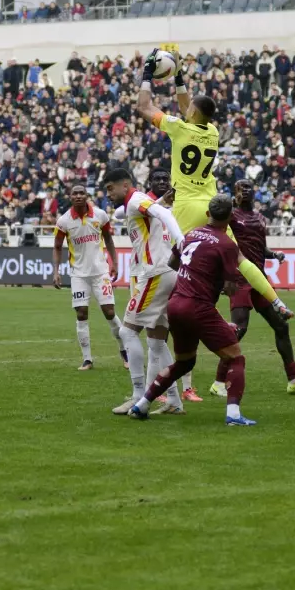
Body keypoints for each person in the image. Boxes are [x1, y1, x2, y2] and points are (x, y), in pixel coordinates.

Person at [135, 49, 293, 320]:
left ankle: (165, 308)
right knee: (240, 258)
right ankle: (277, 302)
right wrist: (179, 77)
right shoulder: (213, 132)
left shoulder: (179, 128)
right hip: (211, 203)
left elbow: (144, 106)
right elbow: (189, 107)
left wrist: (148, 74)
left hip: (185, 204)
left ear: (193, 112)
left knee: (179, 261)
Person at [127, 194, 257, 426]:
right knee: (236, 358)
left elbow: (172, 265)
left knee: (184, 363)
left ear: (208, 214)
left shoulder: (191, 234)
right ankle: (234, 415)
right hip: (198, 307)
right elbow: (229, 287)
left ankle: (142, 404)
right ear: (230, 216)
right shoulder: (227, 244)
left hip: (176, 305)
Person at [209, 180, 295, 397]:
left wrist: (273, 254)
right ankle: (218, 382)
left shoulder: (259, 217)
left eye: (249, 187)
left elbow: (260, 247)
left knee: (281, 326)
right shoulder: (230, 216)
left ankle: (294, 380)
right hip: (239, 279)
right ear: (235, 193)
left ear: (255, 192)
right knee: (239, 329)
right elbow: (219, 241)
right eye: (241, 188)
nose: (246, 190)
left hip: (259, 279)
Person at [103, 167, 187, 416]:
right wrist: (159, 200)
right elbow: (121, 215)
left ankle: (139, 395)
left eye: (110, 188)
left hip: (154, 274)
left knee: (127, 332)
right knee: (157, 341)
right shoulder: (136, 204)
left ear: (125, 185)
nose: (108, 194)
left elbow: (162, 212)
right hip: (165, 273)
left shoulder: (137, 200)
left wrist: (181, 241)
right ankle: (174, 400)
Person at [52, 184, 124, 372]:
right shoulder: (64, 221)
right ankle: (87, 359)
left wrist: (114, 262)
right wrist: (56, 271)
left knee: (109, 312)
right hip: (78, 275)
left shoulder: (100, 215)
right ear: (70, 196)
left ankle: (125, 351)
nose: (78, 196)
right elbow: (58, 246)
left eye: (81, 193)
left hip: (100, 273)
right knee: (81, 314)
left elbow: (108, 239)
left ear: (87, 195)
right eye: (74, 193)